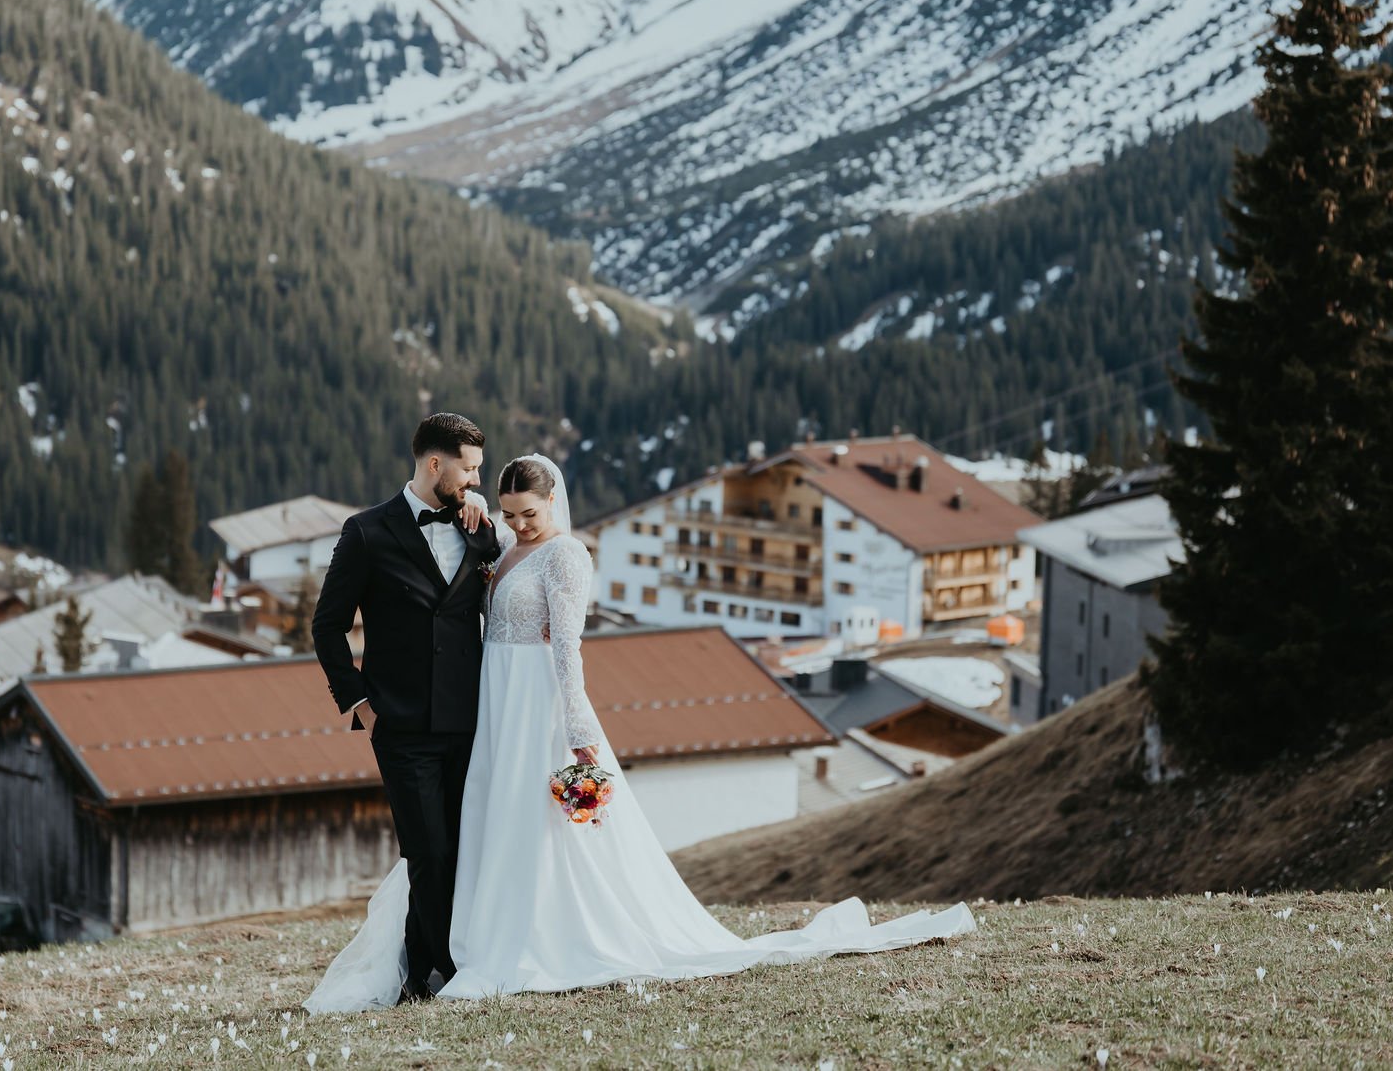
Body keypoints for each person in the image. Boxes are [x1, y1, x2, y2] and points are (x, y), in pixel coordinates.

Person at [307, 452, 973, 1013]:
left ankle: (541, 937)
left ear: (554, 505)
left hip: (540, 705)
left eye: (528, 514)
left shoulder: (566, 557)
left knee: (548, 826)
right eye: (509, 514)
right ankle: (475, 942)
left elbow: (568, 651)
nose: (517, 524)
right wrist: (483, 512)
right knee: (494, 822)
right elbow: (479, 551)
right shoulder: (508, 547)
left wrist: (577, 734)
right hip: (496, 708)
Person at [310, 412, 500, 1001]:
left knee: (467, 848)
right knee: (428, 850)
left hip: (472, 722)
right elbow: (327, 626)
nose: (474, 480)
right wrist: (362, 703)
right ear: (434, 463)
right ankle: (424, 975)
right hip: (402, 727)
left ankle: (458, 960)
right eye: (468, 469)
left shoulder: (479, 529)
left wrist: (483, 517)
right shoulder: (366, 532)